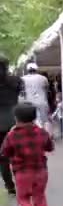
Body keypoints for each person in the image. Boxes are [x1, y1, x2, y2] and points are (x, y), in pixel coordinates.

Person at [1, 103, 54, 206]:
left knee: (23, 197)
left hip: (21, 172)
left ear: (16, 118)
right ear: (34, 117)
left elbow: (4, 152)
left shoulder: (12, 135)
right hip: (41, 170)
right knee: (39, 195)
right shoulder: (41, 133)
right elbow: (50, 147)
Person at [0, 55, 22, 195]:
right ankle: (21, 181)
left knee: (2, 157)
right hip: (14, 120)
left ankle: (9, 185)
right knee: (16, 153)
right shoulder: (15, 81)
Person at [21, 63, 52, 135]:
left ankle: (32, 134)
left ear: (28, 70)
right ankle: (46, 134)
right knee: (45, 119)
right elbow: (47, 89)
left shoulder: (23, 78)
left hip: (28, 102)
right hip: (42, 101)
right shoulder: (43, 78)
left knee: (29, 120)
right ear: (36, 69)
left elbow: (22, 91)